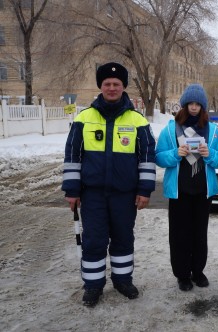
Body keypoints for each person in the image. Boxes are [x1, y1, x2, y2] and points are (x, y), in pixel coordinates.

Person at [62, 62, 156, 307]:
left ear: (123, 86)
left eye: (116, 84)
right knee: (94, 240)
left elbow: (147, 158)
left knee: (123, 238)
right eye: (107, 84)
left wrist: (144, 190)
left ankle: (123, 280)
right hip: (92, 195)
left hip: (124, 196)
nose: (112, 88)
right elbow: (72, 156)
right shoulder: (84, 118)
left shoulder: (138, 121)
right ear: (100, 87)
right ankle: (93, 286)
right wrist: (72, 190)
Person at [155, 84, 218, 291]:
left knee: (199, 233)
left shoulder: (212, 130)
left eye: (198, 104)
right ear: (184, 105)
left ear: (203, 107)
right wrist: (176, 154)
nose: (194, 107)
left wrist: (209, 153)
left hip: (203, 191)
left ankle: (198, 271)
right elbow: (158, 157)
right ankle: (182, 274)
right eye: (190, 103)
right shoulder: (170, 128)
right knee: (179, 234)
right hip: (180, 191)